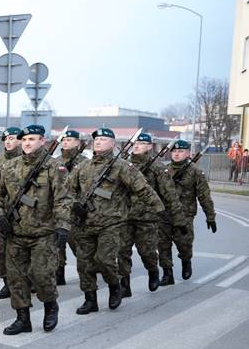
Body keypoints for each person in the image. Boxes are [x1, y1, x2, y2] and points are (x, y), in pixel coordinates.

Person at [67, 128, 164, 314]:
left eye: (103, 139)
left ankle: (115, 286)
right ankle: (90, 300)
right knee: (84, 264)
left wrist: (159, 209)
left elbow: (143, 189)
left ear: (113, 144)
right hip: (84, 223)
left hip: (111, 223)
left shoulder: (122, 167)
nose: (98, 142)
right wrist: (74, 206)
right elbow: (67, 191)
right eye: (96, 139)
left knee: (105, 260)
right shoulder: (82, 167)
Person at [0, 125, 70, 335]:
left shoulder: (54, 167)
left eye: (32, 139)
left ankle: (50, 307)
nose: (27, 143)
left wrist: (62, 226)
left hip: (43, 233)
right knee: (16, 279)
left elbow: (63, 199)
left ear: (43, 141)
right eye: (24, 139)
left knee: (42, 276)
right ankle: (22, 319)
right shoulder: (10, 166)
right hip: (15, 233)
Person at [119, 134, 188, 294]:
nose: (137, 146)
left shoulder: (157, 167)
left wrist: (179, 219)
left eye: (142, 143)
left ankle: (153, 271)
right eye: (135, 143)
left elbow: (170, 195)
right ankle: (124, 285)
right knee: (122, 251)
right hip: (125, 216)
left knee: (147, 251)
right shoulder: (123, 165)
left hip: (147, 217)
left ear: (150, 146)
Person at [158, 140, 216, 282]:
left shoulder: (195, 172)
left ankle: (186, 261)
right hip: (165, 214)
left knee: (184, 243)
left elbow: (204, 196)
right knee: (162, 245)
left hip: (185, 215)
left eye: (181, 151)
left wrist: (210, 217)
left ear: (188, 153)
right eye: (174, 151)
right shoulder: (164, 170)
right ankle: (167, 274)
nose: (177, 154)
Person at [0, 127, 22, 299]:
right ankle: (7, 284)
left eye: (12, 138)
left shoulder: (28, 161)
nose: (8, 141)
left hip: (24, 217)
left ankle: (27, 282)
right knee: (0, 252)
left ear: (21, 140)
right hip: (0, 215)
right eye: (6, 139)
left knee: (21, 252)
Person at [56, 130, 88, 285]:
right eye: (64, 139)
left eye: (69, 139)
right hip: (59, 210)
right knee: (58, 244)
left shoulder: (85, 162)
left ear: (77, 142)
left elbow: (87, 186)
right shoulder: (55, 161)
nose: (65, 142)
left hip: (76, 210)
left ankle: (89, 272)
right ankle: (59, 273)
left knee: (78, 245)